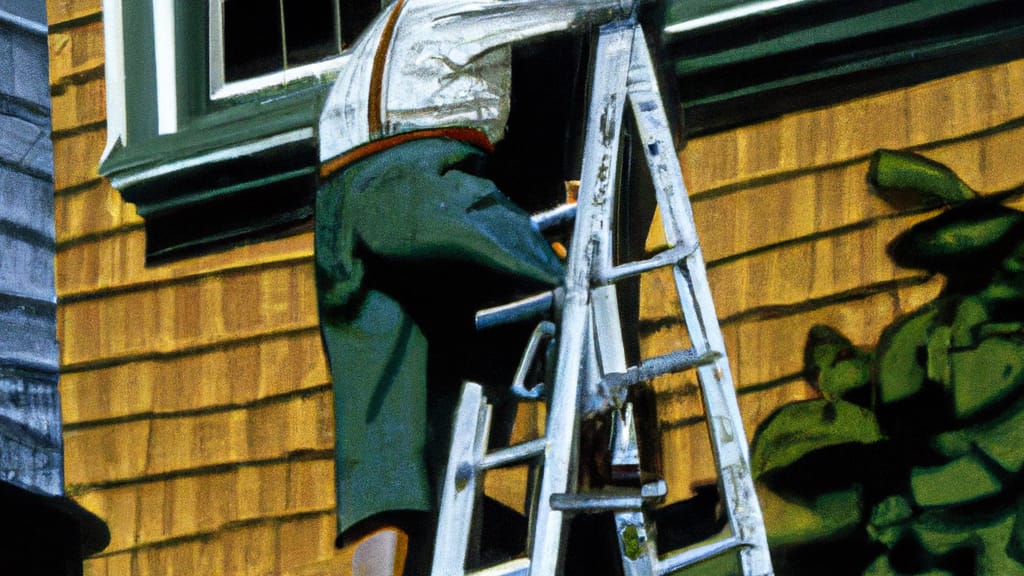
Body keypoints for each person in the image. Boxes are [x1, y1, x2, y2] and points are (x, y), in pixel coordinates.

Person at [315, 0, 638, 573]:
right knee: (568, 297)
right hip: (418, 172)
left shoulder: (389, 24)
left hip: (339, 204)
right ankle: (603, 507)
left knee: (384, 423)